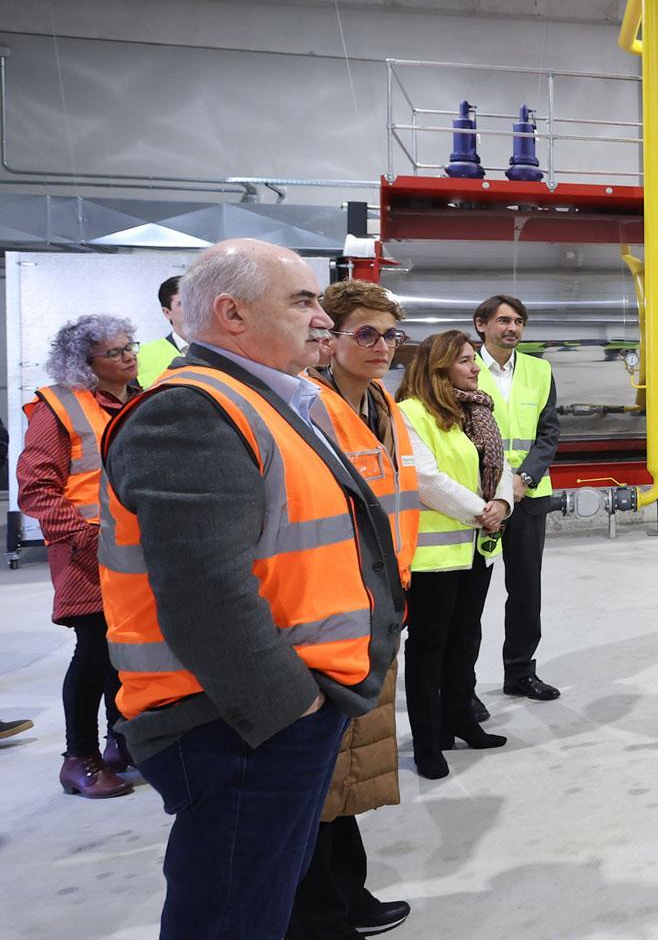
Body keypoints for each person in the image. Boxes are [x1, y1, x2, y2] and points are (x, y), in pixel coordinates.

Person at [98, 238, 405, 940]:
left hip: (268, 707)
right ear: (232, 313)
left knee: (263, 900)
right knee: (231, 916)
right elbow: (205, 592)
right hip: (235, 718)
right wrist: (290, 708)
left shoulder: (270, 399)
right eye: (302, 302)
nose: (319, 319)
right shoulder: (194, 411)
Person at [287, 280, 420, 939]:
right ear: (328, 338)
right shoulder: (308, 407)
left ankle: (347, 890)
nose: (382, 347)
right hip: (326, 612)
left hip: (377, 607)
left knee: (352, 769)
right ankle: (316, 910)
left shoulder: (382, 404)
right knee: (319, 773)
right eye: (366, 333)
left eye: (390, 335)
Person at [17, 315, 142, 799]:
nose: (128, 355)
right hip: (86, 557)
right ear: (85, 364)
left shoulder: (137, 399)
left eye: (128, 346)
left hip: (134, 552)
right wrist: (85, 538)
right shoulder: (59, 407)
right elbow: (37, 489)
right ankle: (80, 758)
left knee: (125, 651)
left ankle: (121, 742)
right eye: (114, 352)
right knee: (93, 652)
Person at [396, 330, 513, 780]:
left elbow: (500, 466)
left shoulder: (478, 410)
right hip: (434, 558)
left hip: (478, 550)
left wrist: (502, 503)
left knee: (466, 638)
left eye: (473, 361)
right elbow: (425, 480)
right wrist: (481, 511)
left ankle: (461, 718)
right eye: (465, 360)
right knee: (429, 648)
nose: (475, 367)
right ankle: (429, 740)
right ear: (439, 365)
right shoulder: (410, 413)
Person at [471, 294, 562, 706]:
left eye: (519, 322)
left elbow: (548, 433)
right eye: (504, 320)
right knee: (469, 594)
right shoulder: (463, 368)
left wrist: (524, 478)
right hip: (478, 501)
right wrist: (496, 487)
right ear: (482, 325)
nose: (513, 328)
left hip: (529, 496)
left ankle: (521, 672)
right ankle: (461, 686)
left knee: (526, 589)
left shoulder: (540, 370)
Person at [135, 275, 189, 387]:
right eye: (184, 304)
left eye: (198, 303)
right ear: (167, 312)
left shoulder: (225, 349)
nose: (194, 309)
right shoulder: (141, 357)